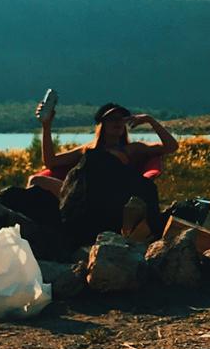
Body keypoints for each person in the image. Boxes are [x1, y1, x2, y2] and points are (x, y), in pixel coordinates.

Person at [48, 102, 179, 246]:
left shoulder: (132, 149)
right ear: (102, 124)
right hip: (86, 197)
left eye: (121, 119)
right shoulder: (88, 150)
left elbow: (172, 146)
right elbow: (51, 161)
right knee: (37, 180)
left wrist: (150, 120)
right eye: (112, 119)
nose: (118, 122)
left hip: (115, 199)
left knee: (96, 159)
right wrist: (46, 126)